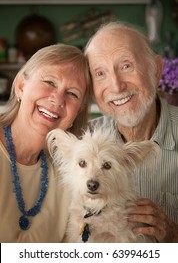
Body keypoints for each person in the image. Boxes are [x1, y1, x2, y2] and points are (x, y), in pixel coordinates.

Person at [84, 20, 178, 243]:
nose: (116, 86)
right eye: (100, 73)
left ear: (156, 70)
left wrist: (173, 233)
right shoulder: (84, 143)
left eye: (126, 66)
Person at [0, 43, 92, 242]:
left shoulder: (73, 174)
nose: (58, 99)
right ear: (21, 87)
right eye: (50, 82)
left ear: (77, 113)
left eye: (72, 94)